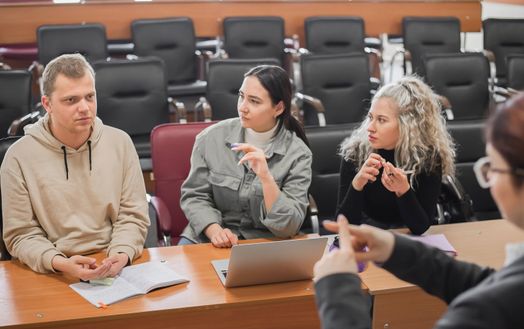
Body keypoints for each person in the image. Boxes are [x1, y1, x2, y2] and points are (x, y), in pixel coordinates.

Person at [313, 92, 524, 329]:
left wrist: (337, 289)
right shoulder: (507, 288)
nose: (489, 180)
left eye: (492, 166)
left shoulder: (492, 309)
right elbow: (483, 282)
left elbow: (492, 292)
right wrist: (396, 249)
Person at [1, 54, 149, 280]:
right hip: (53, 268)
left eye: (90, 97)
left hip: (113, 263)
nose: (85, 108)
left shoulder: (120, 143)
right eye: (71, 100)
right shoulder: (18, 157)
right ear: (47, 104)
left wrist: (122, 253)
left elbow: (132, 216)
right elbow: (21, 235)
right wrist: (60, 263)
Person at [179, 65, 312, 247]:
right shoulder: (210, 138)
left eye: (254, 101)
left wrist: (266, 178)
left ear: (278, 108)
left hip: (266, 242)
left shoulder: (298, 153)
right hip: (207, 238)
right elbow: (194, 196)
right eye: (241, 96)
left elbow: (288, 226)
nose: (243, 107)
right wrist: (214, 230)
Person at [337, 76, 455, 235]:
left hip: (409, 242)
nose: (370, 128)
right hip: (368, 238)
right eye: (370, 117)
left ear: (407, 126)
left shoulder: (427, 158)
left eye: (381, 120)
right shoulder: (355, 152)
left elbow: (420, 227)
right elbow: (343, 226)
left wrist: (403, 191)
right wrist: (357, 184)